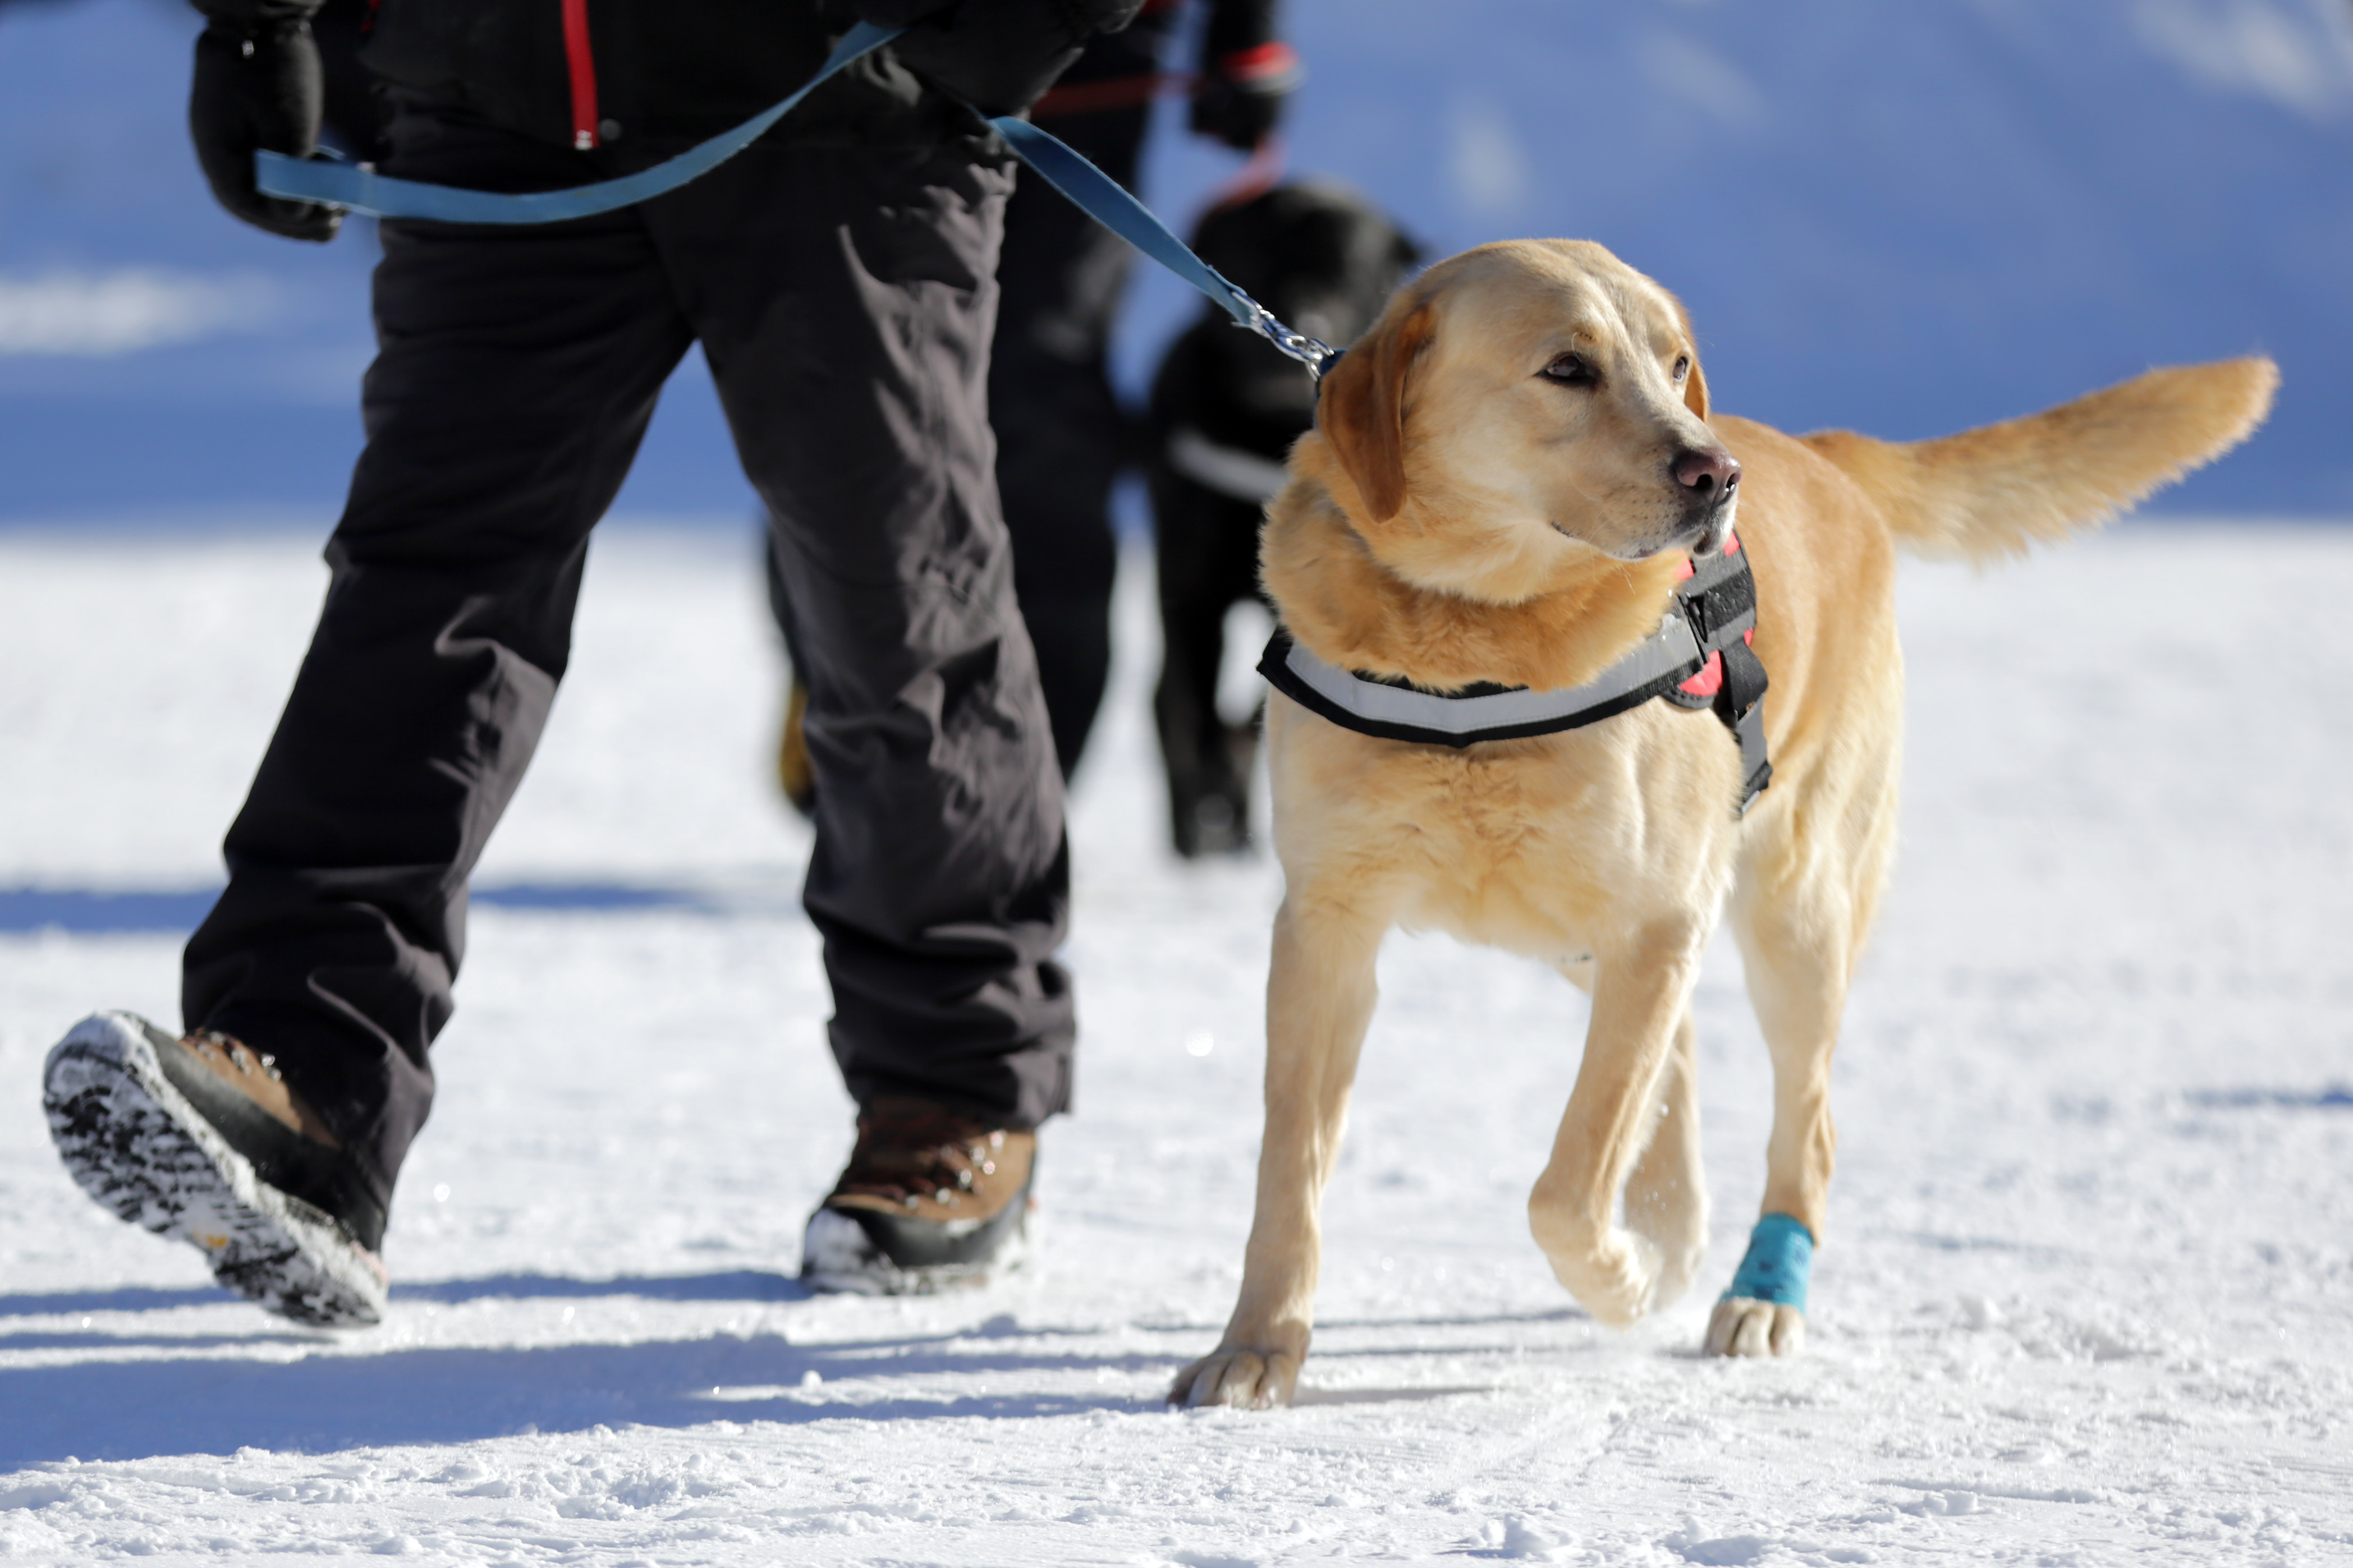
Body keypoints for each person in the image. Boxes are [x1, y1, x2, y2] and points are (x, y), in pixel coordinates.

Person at [39, 0, 1143, 1327]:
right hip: (494, 87)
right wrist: (257, 20)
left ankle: (957, 1087)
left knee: (894, 602)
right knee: (425, 586)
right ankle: (307, 1076)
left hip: (848, 103)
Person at [774, 0, 1297, 806]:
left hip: (1082, 43)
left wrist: (1245, 33)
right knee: (861, 379)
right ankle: (842, 689)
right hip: (851, 43)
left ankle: (1025, 771)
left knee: (1041, 396)